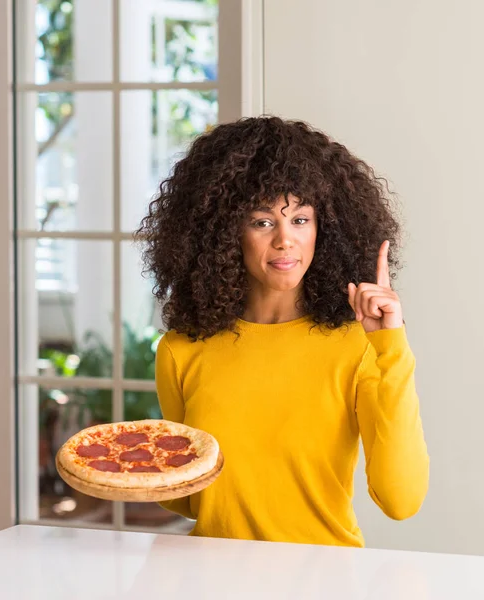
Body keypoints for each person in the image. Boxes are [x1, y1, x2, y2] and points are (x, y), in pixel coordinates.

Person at [135, 116, 429, 547]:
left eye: (301, 219)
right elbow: (185, 500)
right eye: (263, 221)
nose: (285, 241)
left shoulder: (360, 347)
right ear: (224, 231)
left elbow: (401, 499)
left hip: (325, 581)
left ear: (324, 229)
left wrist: (391, 344)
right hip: (209, 580)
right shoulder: (181, 349)